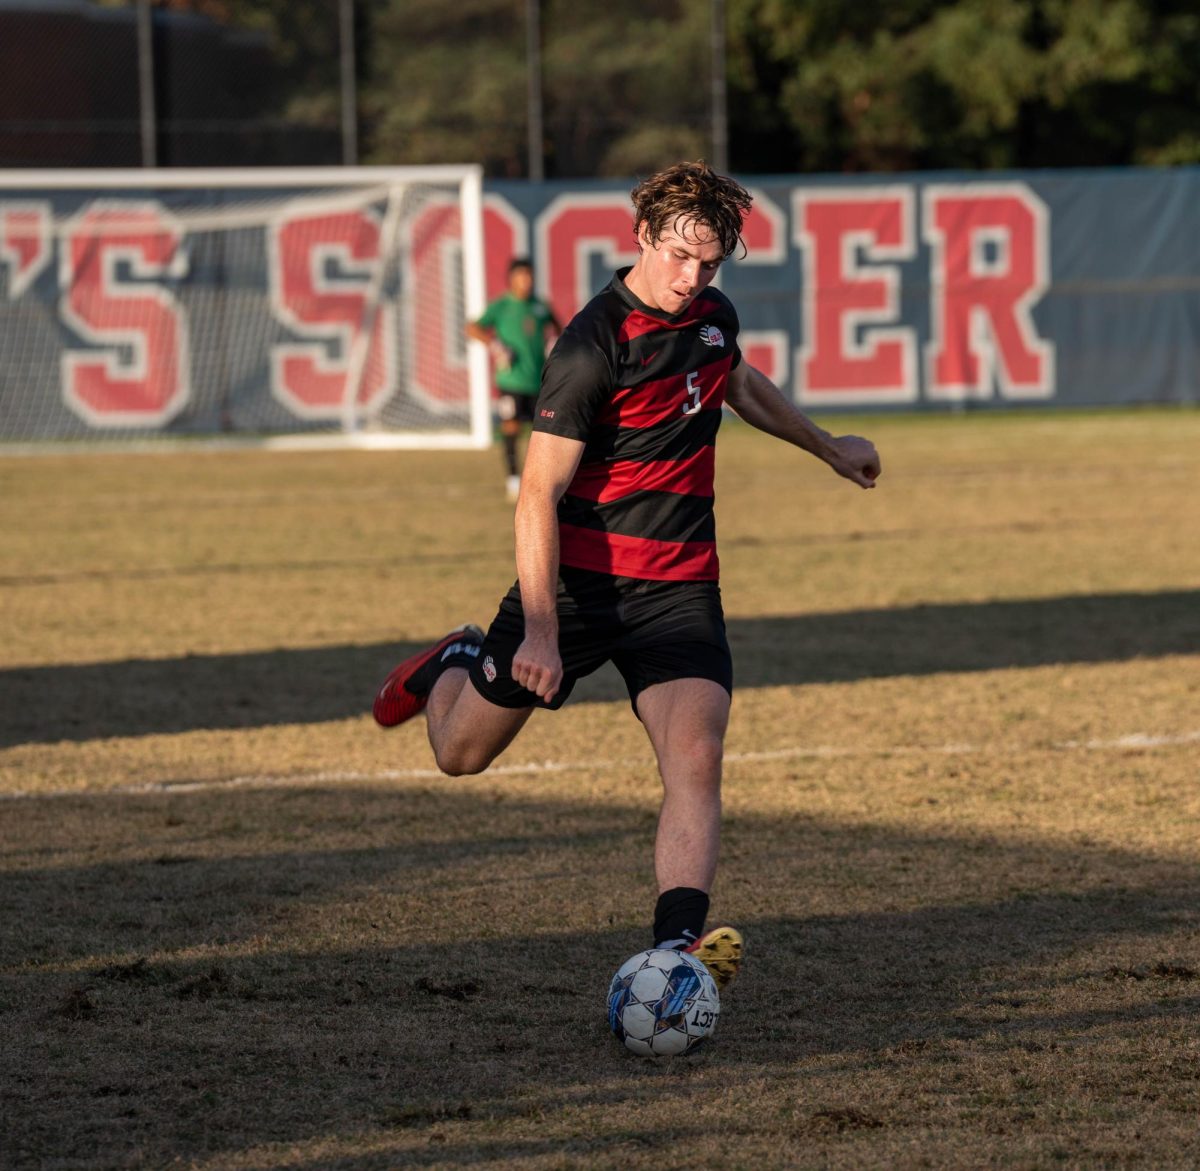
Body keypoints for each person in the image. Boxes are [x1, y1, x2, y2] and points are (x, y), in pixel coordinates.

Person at [374, 161, 880, 993]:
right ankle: (453, 662)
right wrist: (539, 630)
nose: (692, 279)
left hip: (680, 586)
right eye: (680, 257)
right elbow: (537, 493)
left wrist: (829, 447)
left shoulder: (713, 317)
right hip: (575, 590)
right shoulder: (589, 346)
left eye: (709, 264)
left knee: (696, 753)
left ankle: (676, 950)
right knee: (458, 754)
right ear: (642, 236)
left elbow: (738, 383)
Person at [466, 257, 561, 501]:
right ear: (512, 279)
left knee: (542, 432)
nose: (526, 281)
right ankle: (512, 479)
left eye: (529, 276)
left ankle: (542, 479)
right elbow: (473, 328)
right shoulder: (501, 307)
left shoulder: (539, 307)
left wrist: (553, 344)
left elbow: (559, 329)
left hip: (537, 380)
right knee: (511, 427)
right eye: (522, 276)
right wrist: (495, 345)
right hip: (510, 381)